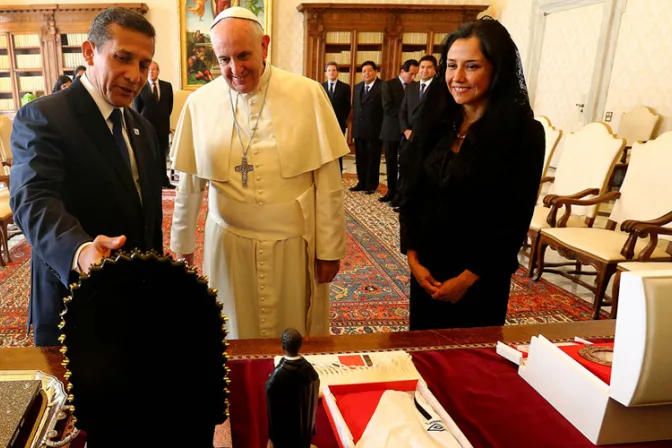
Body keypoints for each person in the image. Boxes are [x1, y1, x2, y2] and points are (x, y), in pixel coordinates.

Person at [170, 7, 348, 340]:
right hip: (227, 242)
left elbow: (327, 182)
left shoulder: (307, 94)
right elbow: (189, 184)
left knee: (293, 333)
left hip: (293, 244)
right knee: (232, 331)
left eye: (243, 55)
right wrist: (182, 242)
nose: (234, 69)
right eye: (223, 59)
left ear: (264, 46)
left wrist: (330, 249)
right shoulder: (200, 103)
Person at [9, 7, 164, 346]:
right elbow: (33, 199)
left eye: (142, 64)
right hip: (73, 301)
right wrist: (79, 251)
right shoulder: (44, 116)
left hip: (135, 301)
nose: (135, 75)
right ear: (90, 52)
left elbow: (148, 215)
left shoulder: (142, 128)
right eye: (122, 58)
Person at [399, 18, 545, 330]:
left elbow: (514, 216)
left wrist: (467, 279)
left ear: (497, 70)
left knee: (470, 366)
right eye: (451, 66)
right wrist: (413, 258)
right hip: (426, 270)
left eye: (472, 66)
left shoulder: (523, 134)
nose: (458, 77)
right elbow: (412, 191)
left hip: (480, 277)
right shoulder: (434, 123)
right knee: (423, 361)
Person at [266, 328, 320, 448]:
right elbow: (314, 386)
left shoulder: (278, 374)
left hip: (284, 429)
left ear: (282, 346)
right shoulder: (308, 369)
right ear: (300, 345)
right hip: (302, 426)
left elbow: (270, 393)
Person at [396, 55, 437, 211]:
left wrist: (418, 132)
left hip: (426, 138)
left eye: (428, 67)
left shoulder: (439, 88)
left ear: (434, 69)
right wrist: (405, 129)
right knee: (406, 170)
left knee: (423, 173)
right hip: (408, 137)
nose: (424, 70)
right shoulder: (412, 87)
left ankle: (420, 204)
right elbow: (402, 111)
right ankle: (404, 201)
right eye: (422, 67)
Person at [379, 59, 418, 204]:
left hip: (408, 131)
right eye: (411, 74)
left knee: (405, 163)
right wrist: (405, 116)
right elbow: (388, 107)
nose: (413, 77)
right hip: (391, 130)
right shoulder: (388, 85)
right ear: (402, 71)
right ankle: (391, 190)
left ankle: (402, 193)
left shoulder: (415, 87)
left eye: (415, 74)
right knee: (391, 162)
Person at [133, 61, 175, 188]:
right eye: (149, 70)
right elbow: (137, 109)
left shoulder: (167, 86)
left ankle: (164, 180)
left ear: (158, 71)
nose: (151, 72)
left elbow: (169, 107)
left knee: (162, 154)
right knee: (147, 154)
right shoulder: (141, 86)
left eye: (154, 69)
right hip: (146, 126)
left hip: (162, 126)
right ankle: (150, 181)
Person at [350, 61, 383, 194]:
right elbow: (356, 108)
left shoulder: (382, 86)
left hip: (375, 130)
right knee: (360, 158)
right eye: (364, 71)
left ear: (375, 71)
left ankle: (371, 184)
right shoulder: (357, 87)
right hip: (359, 129)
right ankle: (361, 182)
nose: (367, 73)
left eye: (369, 70)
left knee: (373, 158)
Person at [322, 61, 351, 172]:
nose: (331, 72)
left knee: (338, 150)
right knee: (325, 150)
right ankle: (326, 173)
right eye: (329, 70)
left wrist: (342, 120)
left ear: (338, 72)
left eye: (334, 70)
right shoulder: (321, 86)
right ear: (326, 73)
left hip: (339, 124)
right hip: (324, 124)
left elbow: (347, 107)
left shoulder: (345, 87)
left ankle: (338, 173)